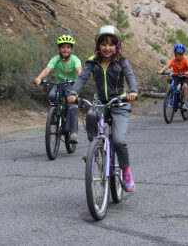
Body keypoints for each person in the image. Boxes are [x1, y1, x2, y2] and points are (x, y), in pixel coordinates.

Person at [67, 25, 138, 192]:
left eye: (111, 44)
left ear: (117, 46)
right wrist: (72, 93)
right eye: (104, 44)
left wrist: (133, 92)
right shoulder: (93, 62)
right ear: (98, 45)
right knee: (91, 115)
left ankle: (126, 171)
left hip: (119, 103)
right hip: (100, 102)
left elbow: (131, 78)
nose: (107, 48)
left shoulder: (122, 62)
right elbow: (82, 78)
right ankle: (95, 147)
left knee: (119, 140)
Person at [34, 34, 82, 144]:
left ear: (72, 49)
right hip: (59, 84)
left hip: (72, 85)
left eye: (68, 47)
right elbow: (47, 69)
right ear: (59, 48)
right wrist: (39, 78)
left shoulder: (75, 60)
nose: (65, 49)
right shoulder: (56, 59)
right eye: (63, 47)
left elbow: (79, 71)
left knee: (72, 106)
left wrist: (80, 79)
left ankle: (73, 133)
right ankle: (56, 115)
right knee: (51, 95)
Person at [158, 44, 188, 110]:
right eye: (177, 54)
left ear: (183, 54)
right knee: (172, 87)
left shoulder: (185, 60)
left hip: (185, 76)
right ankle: (173, 101)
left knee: (185, 86)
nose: (179, 56)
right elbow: (167, 66)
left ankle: (185, 104)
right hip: (176, 76)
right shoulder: (173, 60)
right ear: (175, 53)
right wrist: (161, 71)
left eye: (181, 54)